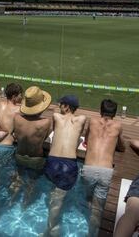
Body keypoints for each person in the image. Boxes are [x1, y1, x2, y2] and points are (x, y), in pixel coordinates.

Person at [81, 99, 126, 237]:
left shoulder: (93, 121)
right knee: (98, 208)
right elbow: (122, 147)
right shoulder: (118, 126)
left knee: (87, 197)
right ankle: (92, 233)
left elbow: (87, 140)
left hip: (88, 168)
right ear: (115, 113)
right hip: (106, 171)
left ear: (100, 111)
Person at [43, 95, 86, 237]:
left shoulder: (55, 116)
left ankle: (50, 227)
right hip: (68, 163)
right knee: (59, 200)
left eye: (61, 104)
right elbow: (78, 133)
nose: (59, 106)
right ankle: (51, 229)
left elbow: (55, 132)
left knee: (53, 192)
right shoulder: (82, 119)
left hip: (52, 161)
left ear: (66, 106)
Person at [9, 86, 52, 208]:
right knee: (31, 183)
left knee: (17, 180)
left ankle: (11, 200)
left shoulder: (16, 117)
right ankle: (25, 204)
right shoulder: (45, 122)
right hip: (35, 159)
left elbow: (12, 133)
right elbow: (44, 138)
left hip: (19, 156)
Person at [0, 83, 23, 182]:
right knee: (16, 179)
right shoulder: (18, 109)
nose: (22, 97)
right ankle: (12, 197)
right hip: (5, 148)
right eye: (20, 95)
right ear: (14, 96)